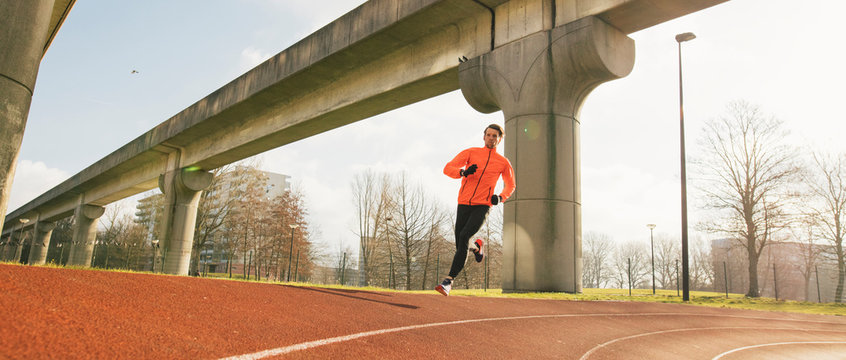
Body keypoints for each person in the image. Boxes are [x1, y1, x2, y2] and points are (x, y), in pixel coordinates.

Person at [435, 124, 515, 296]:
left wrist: (500, 197)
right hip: (464, 202)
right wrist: (462, 172)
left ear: (500, 139)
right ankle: (477, 248)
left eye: (495, 136)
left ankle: (448, 281)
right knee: (460, 244)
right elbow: (447, 168)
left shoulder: (503, 162)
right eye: (489, 135)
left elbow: (511, 185)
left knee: (464, 236)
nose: (491, 138)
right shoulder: (471, 153)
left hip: (483, 205)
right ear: (484, 136)